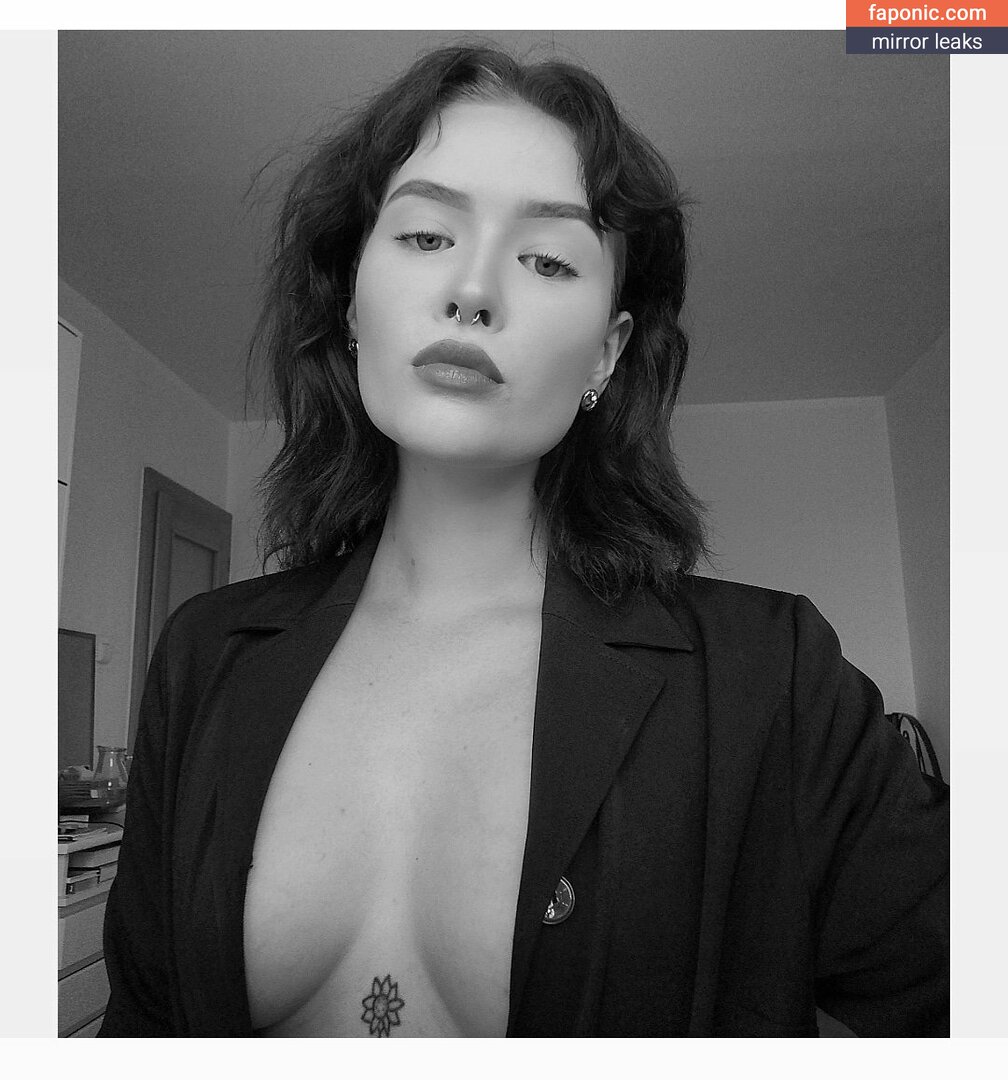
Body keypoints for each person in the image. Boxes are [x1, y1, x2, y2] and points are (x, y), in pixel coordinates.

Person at [98, 43, 948, 1038]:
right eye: (425, 235)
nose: (473, 289)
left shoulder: (773, 681)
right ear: (352, 303)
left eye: (546, 260)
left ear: (606, 354)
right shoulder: (203, 657)